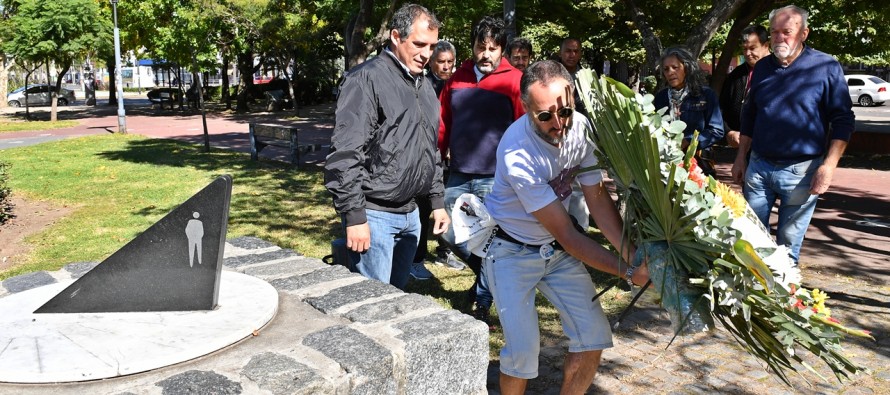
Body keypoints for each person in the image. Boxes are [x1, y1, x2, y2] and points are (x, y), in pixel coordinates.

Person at [483, 60, 649, 394]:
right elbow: (568, 235)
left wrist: (633, 258)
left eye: (565, 110)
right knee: (522, 355)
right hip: (511, 251)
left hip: (554, 251)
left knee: (593, 338)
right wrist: (629, 273)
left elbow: (600, 203)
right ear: (527, 108)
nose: (558, 123)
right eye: (545, 115)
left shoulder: (581, 129)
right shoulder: (517, 151)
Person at [324, 4, 449, 290]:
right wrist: (355, 217)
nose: (426, 54)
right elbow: (344, 155)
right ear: (396, 36)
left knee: (395, 299)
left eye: (431, 46)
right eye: (419, 44)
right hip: (374, 216)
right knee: (370, 306)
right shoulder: (365, 79)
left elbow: (430, 149)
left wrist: (437, 202)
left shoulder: (425, 84)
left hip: (411, 216)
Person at [732, 5, 855, 264]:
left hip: (802, 171)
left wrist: (829, 166)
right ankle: (753, 298)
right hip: (759, 167)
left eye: (786, 32)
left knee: (787, 250)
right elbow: (750, 115)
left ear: (804, 33)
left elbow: (843, 120)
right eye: (774, 32)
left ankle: (782, 299)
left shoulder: (826, 66)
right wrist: (741, 156)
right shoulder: (763, 68)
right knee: (751, 242)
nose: (779, 38)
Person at [438, 15, 524, 327]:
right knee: (448, 232)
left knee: (489, 239)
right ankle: (492, 273)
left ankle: (483, 301)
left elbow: (523, 128)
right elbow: (443, 122)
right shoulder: (456, 78)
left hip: (494, 177)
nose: (485, 54)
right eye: (480, 46)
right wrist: (437, 154)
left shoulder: (514, 81)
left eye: (492, 48)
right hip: (458, 172)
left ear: (502, 50)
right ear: (472, 47)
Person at [412, 40, 462, 280]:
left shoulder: (455, 85)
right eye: (441, 62)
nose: (445, 67)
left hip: (450, 157)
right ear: (431, 61)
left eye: (450, 62)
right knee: (423, 210)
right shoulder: (422, 84)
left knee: (447, 207)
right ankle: (416, 258)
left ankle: (444, 250)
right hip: (427, 156)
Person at [653, 46, 725, 176]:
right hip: (667, 167)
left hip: (698, 167)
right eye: (666, 69)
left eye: (675, 67)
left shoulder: (705, 95)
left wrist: (689, 141)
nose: (670, 72)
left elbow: (716, 131)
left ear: (686, 67)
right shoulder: (660, 98)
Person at [720, 25, 770, 148]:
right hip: (740, 145)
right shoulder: (736, 74)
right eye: (744, 49)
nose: (747, 53)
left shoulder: (779, 71)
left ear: (766, 46)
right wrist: (729, 132)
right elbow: (721, 108)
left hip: (769, 144)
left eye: (752, 48)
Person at [558, 38, 589, 118]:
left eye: (575, 51)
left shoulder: (587, 79)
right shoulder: (550, 76)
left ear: (580, 55)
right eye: (568, 51)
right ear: (560, 53)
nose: (572, 55)